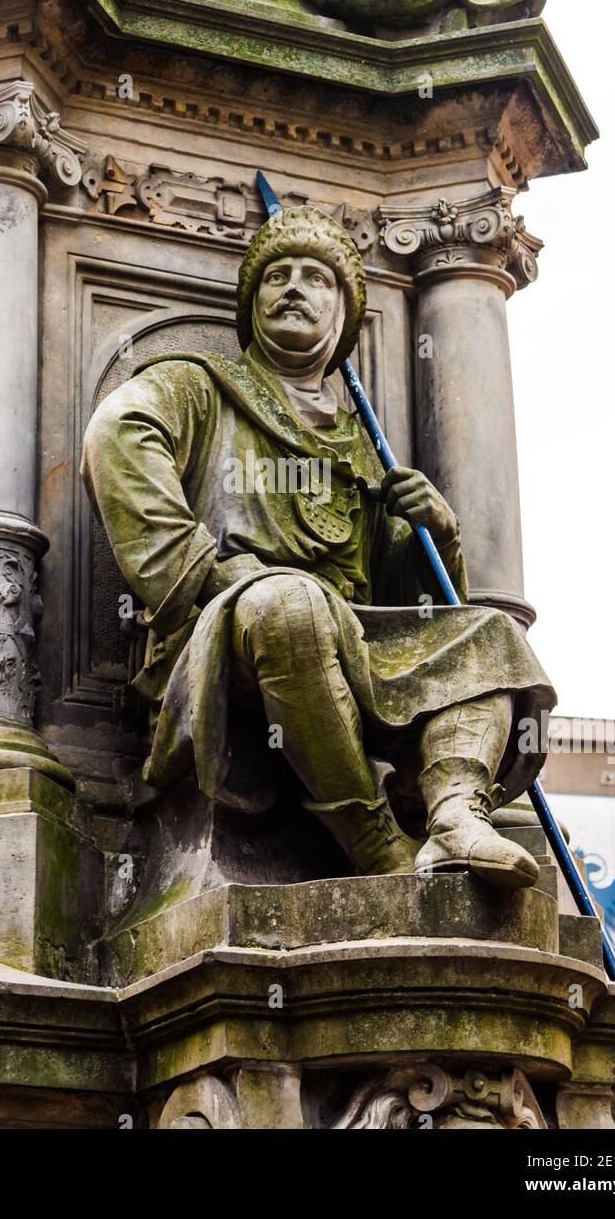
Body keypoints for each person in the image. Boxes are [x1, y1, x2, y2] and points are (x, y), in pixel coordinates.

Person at [83, 206, 555, 887]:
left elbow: (401, 597)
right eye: (277, 276)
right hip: (226, 627)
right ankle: (375, 842)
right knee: (289, 605)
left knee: (491, 638)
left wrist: (433, 534)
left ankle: (455, 814)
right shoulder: (199, 387)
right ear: (252, 304)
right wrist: (202, 571)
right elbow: (118, 433)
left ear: (343, 315)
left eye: (316, 278)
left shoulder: (361, 444)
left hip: (350, 632)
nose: (294, 289)